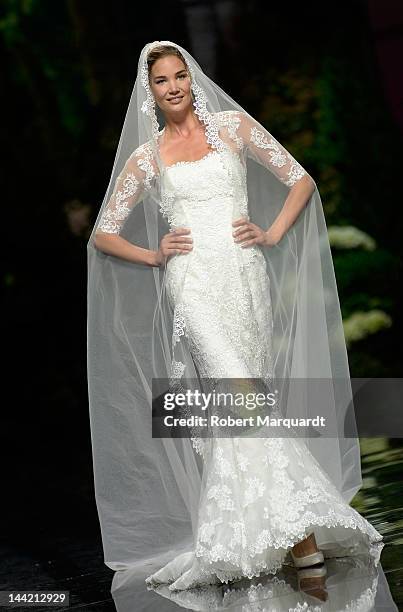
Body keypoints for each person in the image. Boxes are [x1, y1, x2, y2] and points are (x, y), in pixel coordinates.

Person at [87, 41, 384, 592]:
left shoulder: (232, 127)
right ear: (149, 92)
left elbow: (300, 179)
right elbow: (103, 232)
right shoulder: (146, 158)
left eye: (179, 75)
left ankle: (249, 534)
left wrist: (270, 233)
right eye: (161, 81)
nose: (173, 86)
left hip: (245, 282)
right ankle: (304, 542)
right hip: (194, 286)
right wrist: (154, 254)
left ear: (191, 79)